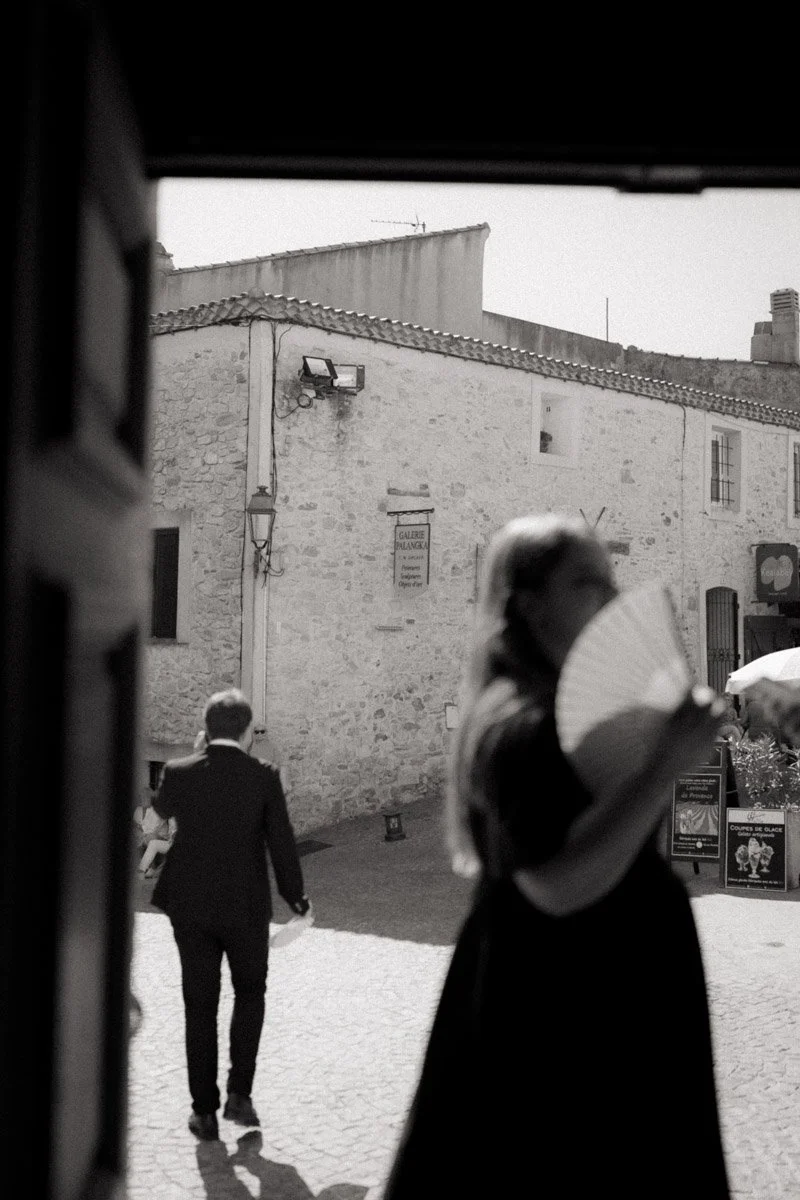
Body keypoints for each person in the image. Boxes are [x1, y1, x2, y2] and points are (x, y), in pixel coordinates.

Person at [384, 514, 731, 1199]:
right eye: (586, 580)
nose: (610, 594)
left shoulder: (558, 713)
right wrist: (665, 765)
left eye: (610, 576)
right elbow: (556, 885)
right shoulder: (520, 723)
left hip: (588, 998)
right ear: (529, 601)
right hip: (567, 1017)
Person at [151, 688, 312, 1141]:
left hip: (190, 906)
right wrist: (297, 900)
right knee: (250, 995)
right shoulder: (263, 775)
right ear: (246, 732)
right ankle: (240, 1094)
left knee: (198, 1006)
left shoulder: (177, 772)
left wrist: (193, 756)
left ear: (205, 729)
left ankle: (203, 1111)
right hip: (245, 908)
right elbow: (281, 843)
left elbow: (158, 814)